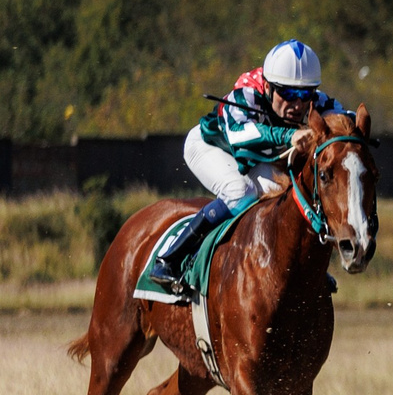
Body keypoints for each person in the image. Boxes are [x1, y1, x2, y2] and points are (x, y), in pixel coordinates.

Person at [142, 39, 346, 297]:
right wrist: (288, 136)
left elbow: (346, 120)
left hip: (254, 158)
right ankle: (170, 258)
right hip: (210, 147)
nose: (298, 104)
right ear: (269, 86)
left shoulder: (314, 101)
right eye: (289, 94)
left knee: (295, 192)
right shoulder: (245, 93)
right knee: (241, 190)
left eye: (305, 95)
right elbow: (241, 136)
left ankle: (305, 265)